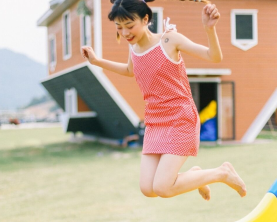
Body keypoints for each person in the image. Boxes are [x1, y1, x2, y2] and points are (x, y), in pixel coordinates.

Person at [81, 0, 247, 201]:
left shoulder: (169, 40)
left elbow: (214, 57)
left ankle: (222, 173)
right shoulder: (134, 49)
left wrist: (208, 29)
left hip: (180, 118)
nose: (125, 33)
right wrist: (97, 61)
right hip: (154, 121)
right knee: (147, 188)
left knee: (163, 187)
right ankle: (196, 176)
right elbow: (129, 70)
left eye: (129, 26)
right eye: (119, 27)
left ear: (145, 19)